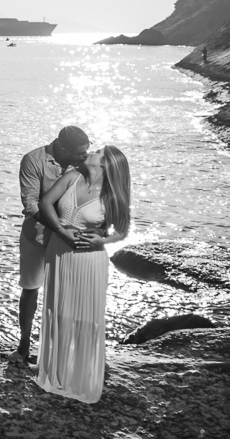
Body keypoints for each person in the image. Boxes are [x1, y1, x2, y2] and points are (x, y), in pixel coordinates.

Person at [35, 145, 132, 403]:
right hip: (59, 250)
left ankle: (80, 378)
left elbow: (122, 230)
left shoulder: (112, 195)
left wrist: (103, 241)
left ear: (107, 165)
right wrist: (60, 229)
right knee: (58, 310)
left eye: (99, 151)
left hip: (89, 260)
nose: (93, 151)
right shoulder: (72, 176)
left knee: (85, 317)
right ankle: (55, 373)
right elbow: (44, 202)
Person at [16, 126, 91, 362]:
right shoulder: (34, 160)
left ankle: (62, 349)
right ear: (62, 148)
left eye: (86, 150)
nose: (84, 156)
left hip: (73, 240)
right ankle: (24, 345)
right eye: (80, 152)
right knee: (30, 290)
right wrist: (59, 229)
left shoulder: (86, 163)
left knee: (68, 293)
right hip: (37, 236)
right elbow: (31, 203)